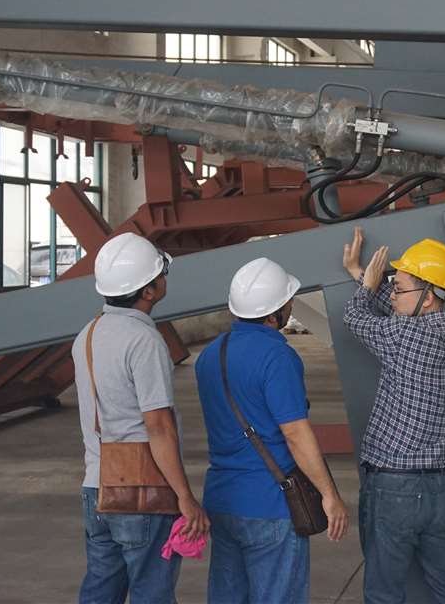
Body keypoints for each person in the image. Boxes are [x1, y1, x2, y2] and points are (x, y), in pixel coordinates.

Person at [196, 257, 349, 604]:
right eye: (288, 300)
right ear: (275, 312)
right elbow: (295, 433)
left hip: (222, 498)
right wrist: (329, 494)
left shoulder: (210, 355)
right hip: (271, 503)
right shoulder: (278, 357)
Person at [73, 233, 208, 604]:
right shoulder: (144, 340)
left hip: (96, 488)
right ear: (148, 292)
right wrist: (185, 497)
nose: (164, 279)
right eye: (160, 274)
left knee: (101, 590)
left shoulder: (87, 335)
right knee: (152, 592)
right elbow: (159, 427)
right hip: (141, 492)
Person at [341, 228, 445, 604]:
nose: (392, 294)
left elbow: (354, 317)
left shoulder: (404, 337)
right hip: (441, 489)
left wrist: (365, 284)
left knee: (383, 592)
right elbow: (401, 311)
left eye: (398, 288)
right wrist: (362, 276)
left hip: (395, 488)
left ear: (428, 296)